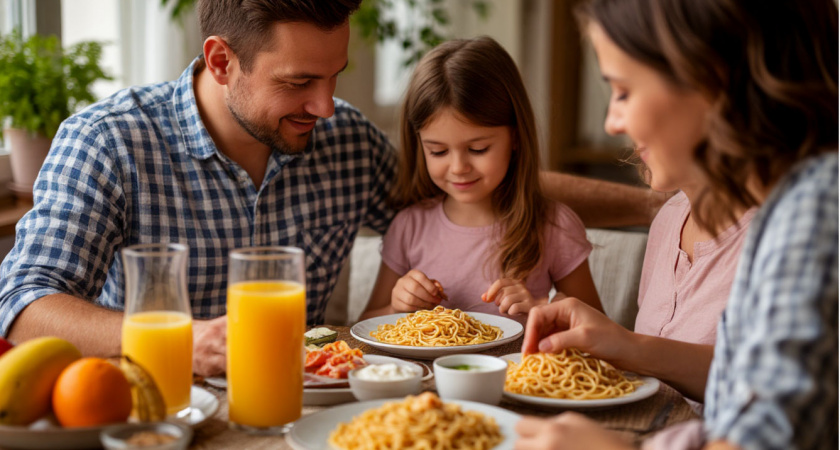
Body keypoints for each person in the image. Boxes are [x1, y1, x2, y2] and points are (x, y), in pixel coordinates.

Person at [0, 1, 658, 377]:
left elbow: (481, 188)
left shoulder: (343, 142)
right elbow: (24, 307)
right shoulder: (107, 143)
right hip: (167, 418)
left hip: (311, 419)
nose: (326, 104)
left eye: (334, 75)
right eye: (297, 83)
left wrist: (660, 200)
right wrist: (179, 339)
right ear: (222, 60)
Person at [515, 0, 838, 449]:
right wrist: (625, 345)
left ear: (711, 77)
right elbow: (744, 393)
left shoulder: (815, 210)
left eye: (624, 90)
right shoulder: (790, 204)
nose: (612, 122)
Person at [360, 37, 603, 323]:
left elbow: (599, 330)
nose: (459, 167)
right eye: (437, 151)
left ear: (514, 136)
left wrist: (542, 306)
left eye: (478, 149)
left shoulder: (553, 225)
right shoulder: (408, 227)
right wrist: (396, 308)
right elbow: (364, 323)